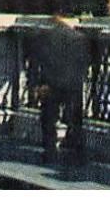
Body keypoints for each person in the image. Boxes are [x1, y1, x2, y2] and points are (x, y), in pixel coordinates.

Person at [29, 15, 89, 158]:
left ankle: (49, 148)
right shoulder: (79, 37)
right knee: (74, 116)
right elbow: (85, 63)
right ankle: (75, 146)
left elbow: (36, 63)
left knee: (48, 117)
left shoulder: (44, 37)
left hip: (49, 83)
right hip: (72, 83)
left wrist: (35, 84)